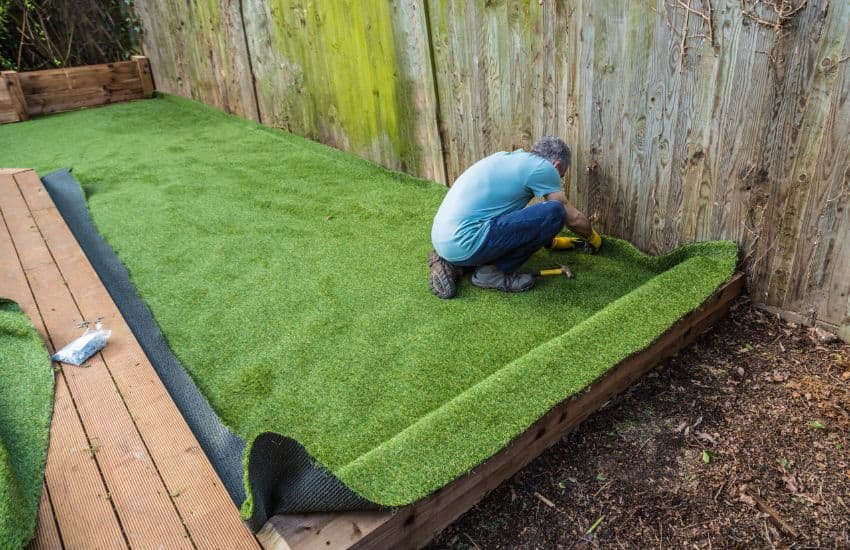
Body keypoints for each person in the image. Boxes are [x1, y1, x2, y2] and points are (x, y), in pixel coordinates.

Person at [428, 136, 601, 299]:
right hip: (466, 239)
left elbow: (508, 218)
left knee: (538, 213)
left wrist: (552, 242)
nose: (558, 180)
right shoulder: (544, 169)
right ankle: (492, 273)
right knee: (555, 211)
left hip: (442, 236)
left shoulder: (507, 158)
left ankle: (452, 263)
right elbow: (573, 218)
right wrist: (593, 237)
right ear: (556, 165)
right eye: (561, 176)